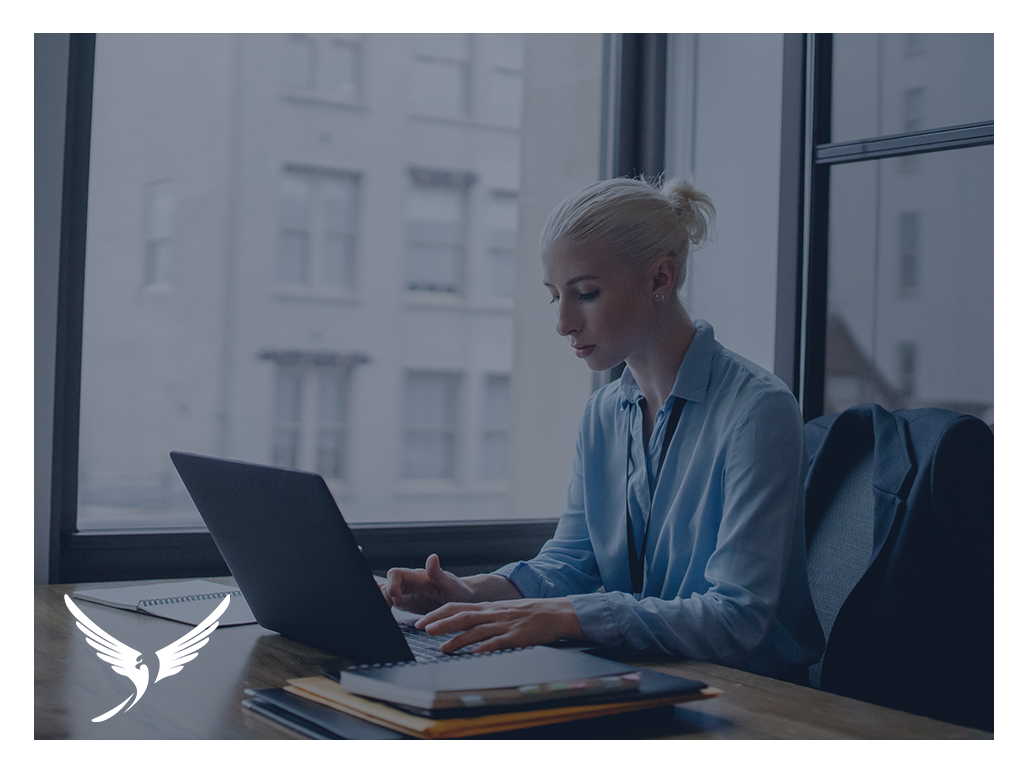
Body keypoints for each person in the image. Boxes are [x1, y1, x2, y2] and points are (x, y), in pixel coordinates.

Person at [381, 177, 824, 680]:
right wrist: (474, 593)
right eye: (555, 298)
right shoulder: (603, 415)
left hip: (753, 701)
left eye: (586, 294)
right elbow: (573, 563)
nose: (564, 323)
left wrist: (567, 617)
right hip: (641, 676)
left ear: (660, 279)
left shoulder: (758, 411)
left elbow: (736, 619)